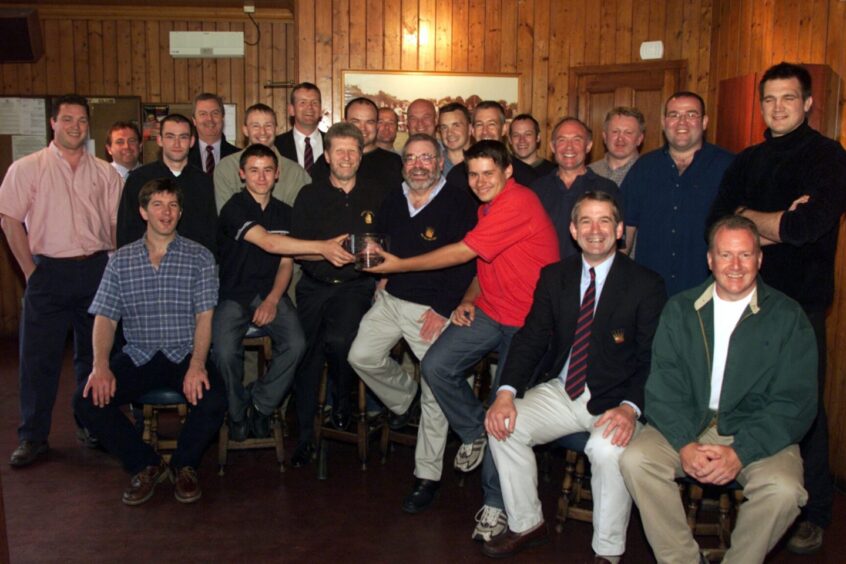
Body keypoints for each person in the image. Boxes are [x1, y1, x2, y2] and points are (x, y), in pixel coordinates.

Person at [368, 140, 559, 542]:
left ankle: (494, 503)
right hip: (491, 309)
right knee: (436, 365)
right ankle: (473, 431)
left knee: (500, 411)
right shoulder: (487, 206)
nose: (480, 181)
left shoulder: (516, 203)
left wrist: (399, 264)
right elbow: (484, 262)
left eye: (489, 173)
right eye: (473, 174)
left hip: (529, 323)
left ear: (508, 172)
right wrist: (470, 298)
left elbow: (462, 252)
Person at [620, 215, 818, 564]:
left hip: (755, 429)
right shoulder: (681, 309)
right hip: (689, 423)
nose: (736, 266)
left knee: (785, 490)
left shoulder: (789, 317)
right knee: (636, 459)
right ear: (710, 259)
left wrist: (743, 450)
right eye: (726, 255)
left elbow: (795, 402)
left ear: (760, 258)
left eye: (745, 255)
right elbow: (663, 386)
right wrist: (683, 443)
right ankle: (682, 560)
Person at [706, 62, 846, 554]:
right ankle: (732, 478)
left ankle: (814, 512)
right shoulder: (747, 160)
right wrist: (776, 220)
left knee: (801, 407)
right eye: (770, 99)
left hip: (800, 305)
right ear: (761, 104)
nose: (779, 107)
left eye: (789, 98)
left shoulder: (829, 157)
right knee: (731, 392)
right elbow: (719, 223)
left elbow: (805, 229)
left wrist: (752, 219)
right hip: (742, 299)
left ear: (808, 103)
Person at [483, 191, 666, 561]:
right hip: (563, 389)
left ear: (619, 231)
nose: (594, 230)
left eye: (604, 222)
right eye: (585, 221)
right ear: (572, 229)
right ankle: (527, 523)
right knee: (502, 423)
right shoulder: (555, 276)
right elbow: (531, 337)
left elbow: (654, 358)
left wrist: (631, 409)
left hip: (616, 397)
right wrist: (505, 392)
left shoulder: (646, 283)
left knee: (604, 448)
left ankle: (608, 550)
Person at [74, 178, 227, 505]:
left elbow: (205, 317)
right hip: (139, 354)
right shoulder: (119, 260)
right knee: (86, 402)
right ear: (143, 211)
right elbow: (105, 318)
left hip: (184, 352)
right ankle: (146, 463)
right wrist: (100, 366)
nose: (166, 212)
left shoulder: (199, 257)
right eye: (157, 205)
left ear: (180, 212)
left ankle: (185, 465)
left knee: (214, 399)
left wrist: (198, 364)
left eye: (172, 205)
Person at [348, 133, 477, 513]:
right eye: (411, 158)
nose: (418, 165)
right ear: (403, 164)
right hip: (392, 298)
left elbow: (468, 260)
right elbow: (388, 245)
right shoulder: (394, 197)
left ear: (440, 163)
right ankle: (406, 399)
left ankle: (427, 475)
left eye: (426, 158)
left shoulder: (459, 202)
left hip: (431, 308)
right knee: (360, 355)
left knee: (438, 390)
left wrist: (442, 307)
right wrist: (383, 279)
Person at [0, 94, 122, 467]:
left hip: (96, 270)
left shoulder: (106, 172)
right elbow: (9, 220)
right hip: (47, 272)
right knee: (39, 359)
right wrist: (31, 272)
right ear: (53, 123)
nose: (75, 126)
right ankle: (33, 436)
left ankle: (92, 425)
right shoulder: (27, 168)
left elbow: (116, 227)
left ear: (88, 125)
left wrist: (114, 274)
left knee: (95, 357)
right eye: (67, 119)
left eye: (81, 120)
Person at [214, 144, 352, 441]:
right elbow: (269, 244)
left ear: (277, 174)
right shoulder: (233, 208)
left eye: (267, 170)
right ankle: (237, 412)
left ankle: (262, 406)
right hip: (233, 293)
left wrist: (274, 299)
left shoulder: (285, 213)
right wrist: (322, 246)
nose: (261, 177)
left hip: (271, 291)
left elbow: (286, 263)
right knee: (224, 351)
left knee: (296, 343)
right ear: (242, 174)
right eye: (254, 170)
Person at [288, 122, 393, 468]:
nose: (346, 157)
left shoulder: (379, 194)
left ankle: (343, 399)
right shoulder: (309, 195)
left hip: (356, 287)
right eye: (339, 151)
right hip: (314, 287)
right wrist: (322, 251)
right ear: (327, 155)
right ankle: (305, 438)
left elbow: (393, 245)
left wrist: (383, 280)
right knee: (305, 356)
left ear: (361, 155)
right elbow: (294, 251)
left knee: (340, 339)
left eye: (353, 151)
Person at [622, 91, 733, 295]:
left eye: (691, 115)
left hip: (709, 290)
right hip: (650, 293)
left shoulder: (728, 166)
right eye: (674, 115)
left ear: (705, 121)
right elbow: (624, 233)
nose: (682, 122)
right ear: (664, 122)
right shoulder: (643, 168)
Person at [117, 113, 218, 255]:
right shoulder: (139, 179)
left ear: (192, 141)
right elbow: (126, 230)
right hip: (147, 264)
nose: (177, 144)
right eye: (170, 137)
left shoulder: (204, 182)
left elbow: (211, 232)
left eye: (183, 137)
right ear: (160, 140)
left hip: (193, 266)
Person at [530, 117, 619, 260]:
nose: (569, 147)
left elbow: (616, 243)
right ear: (553, 147)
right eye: (562, 140)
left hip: (590, 277)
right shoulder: (536, 190)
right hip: (545, 275)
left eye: (577, 140)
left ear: (588, 146)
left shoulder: (607, 189)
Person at [214, 102, 311, 211]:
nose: (263, 132)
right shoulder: (226, 168)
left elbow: (304, 216)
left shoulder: (295, 173)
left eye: (268, 125)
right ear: (245, 130)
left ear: (276, 129)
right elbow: (227, 217)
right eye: (256, 126)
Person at [307, 97, 403, 191]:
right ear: (345, 122)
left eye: (369, 122)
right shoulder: (326, 162)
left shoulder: (393, 163)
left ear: (377, 125)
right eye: (356, 121)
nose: (362, 128)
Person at [447, 101, 538, 190]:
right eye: (479, 125)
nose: (485, 131)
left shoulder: (526, 176)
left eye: (491, 124)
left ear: (504, 129)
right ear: (472, 130)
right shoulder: (457, 176)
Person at [274, 82, 324, 173]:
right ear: (291, 110)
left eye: (315, 103)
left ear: (320, 110)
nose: (309, 107)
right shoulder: (276, 145)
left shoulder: (332, 143)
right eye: (303, 102)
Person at [587, 106, 644, 186]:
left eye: (628, 132)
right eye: (615, 131)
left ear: (639, 139)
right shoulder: (589, 173)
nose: (620, 138)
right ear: (605, 137)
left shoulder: (649, 173)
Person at [188, 92, 239, 175]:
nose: (209, 118)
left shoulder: (238, 156)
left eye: (215, 113)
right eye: (203, 114)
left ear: (222, 117)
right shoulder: (184, 157)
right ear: (194, 120)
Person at [437, 102, 473, 174]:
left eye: (456, 125)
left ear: (469, 129)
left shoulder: (483, 161)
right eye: (444, 127)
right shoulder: (435, 164)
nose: (449, 133)